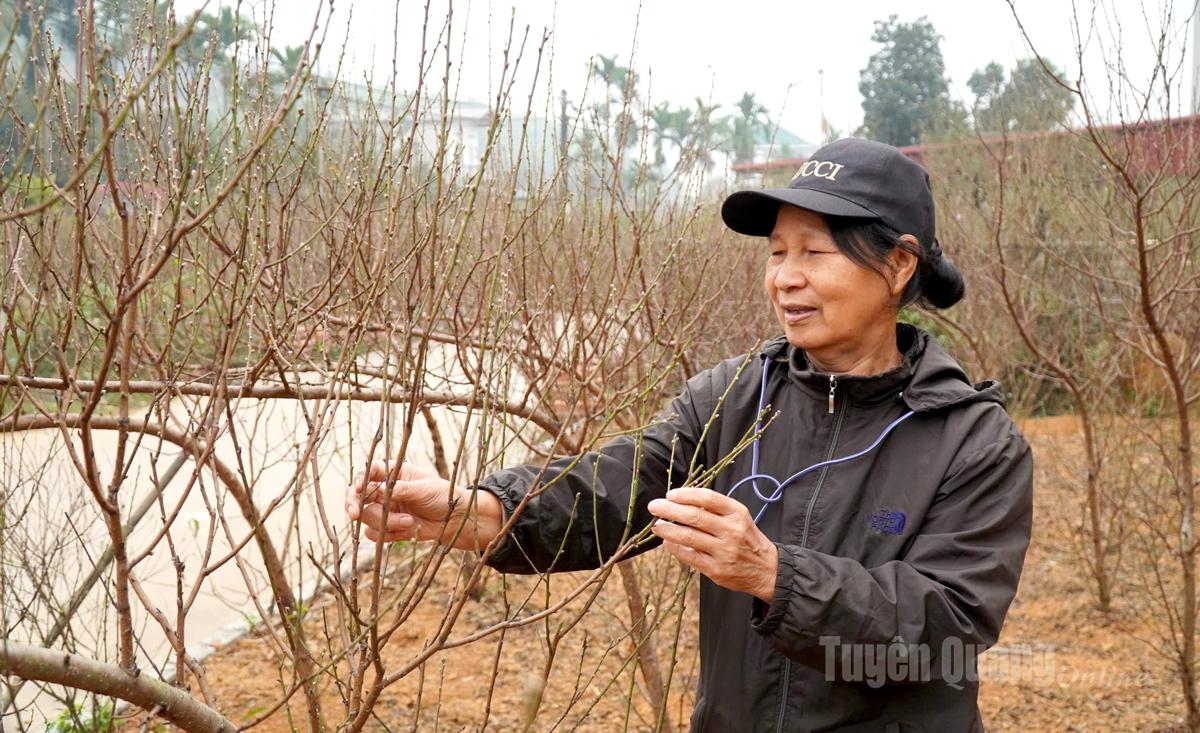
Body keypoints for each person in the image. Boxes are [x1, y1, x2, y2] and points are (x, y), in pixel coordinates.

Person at [346, 138, 1034, 732]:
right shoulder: (736, 397)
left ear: (898, 265)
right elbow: (618, 488)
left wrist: (774, 574)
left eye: (815, 253)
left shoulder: (971, 440)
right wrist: (481, 511)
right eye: (777, 252)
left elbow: (945, 624)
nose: (785, 278)